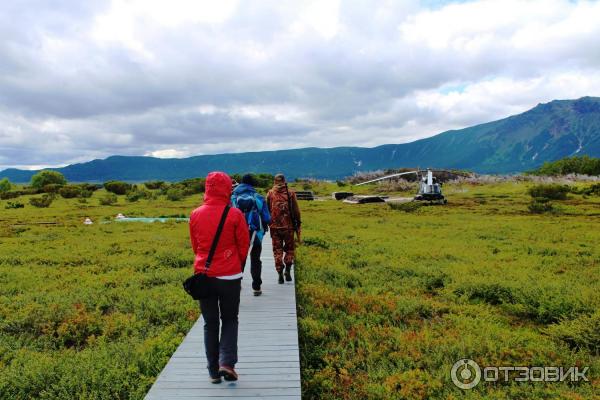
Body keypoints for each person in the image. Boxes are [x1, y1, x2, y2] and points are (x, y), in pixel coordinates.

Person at [189, 171, 250, 384]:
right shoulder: (234, 214)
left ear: (207, 188)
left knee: (210, 323)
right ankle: (227, 363)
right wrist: (236, 266)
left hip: (204, 276)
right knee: (230, 319)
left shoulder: (195, 214)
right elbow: (244, 246)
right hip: (230, 276)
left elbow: (195, 246)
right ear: (227, 188)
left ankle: (213, 371)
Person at [231, 174, 271, 296]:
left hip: (237, 235)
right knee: (255, 259)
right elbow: (267, 218)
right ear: (252, 184)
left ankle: (236, 286)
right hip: (255, 235)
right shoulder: (258, 197)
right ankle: (257, 287)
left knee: (239, 259)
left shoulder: (232, 197)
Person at [266, 174, 301, 284]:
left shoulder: (270, 193)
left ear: (274, 181)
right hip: (289, 227)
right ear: (284, 180)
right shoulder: (291, 193)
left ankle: (280, 272)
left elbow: (267, 210)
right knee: (290, 249)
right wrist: (298, 223)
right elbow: (296, 210)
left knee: (277, 250)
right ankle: (288, 269)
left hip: (275, 227)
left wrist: (269, 222)